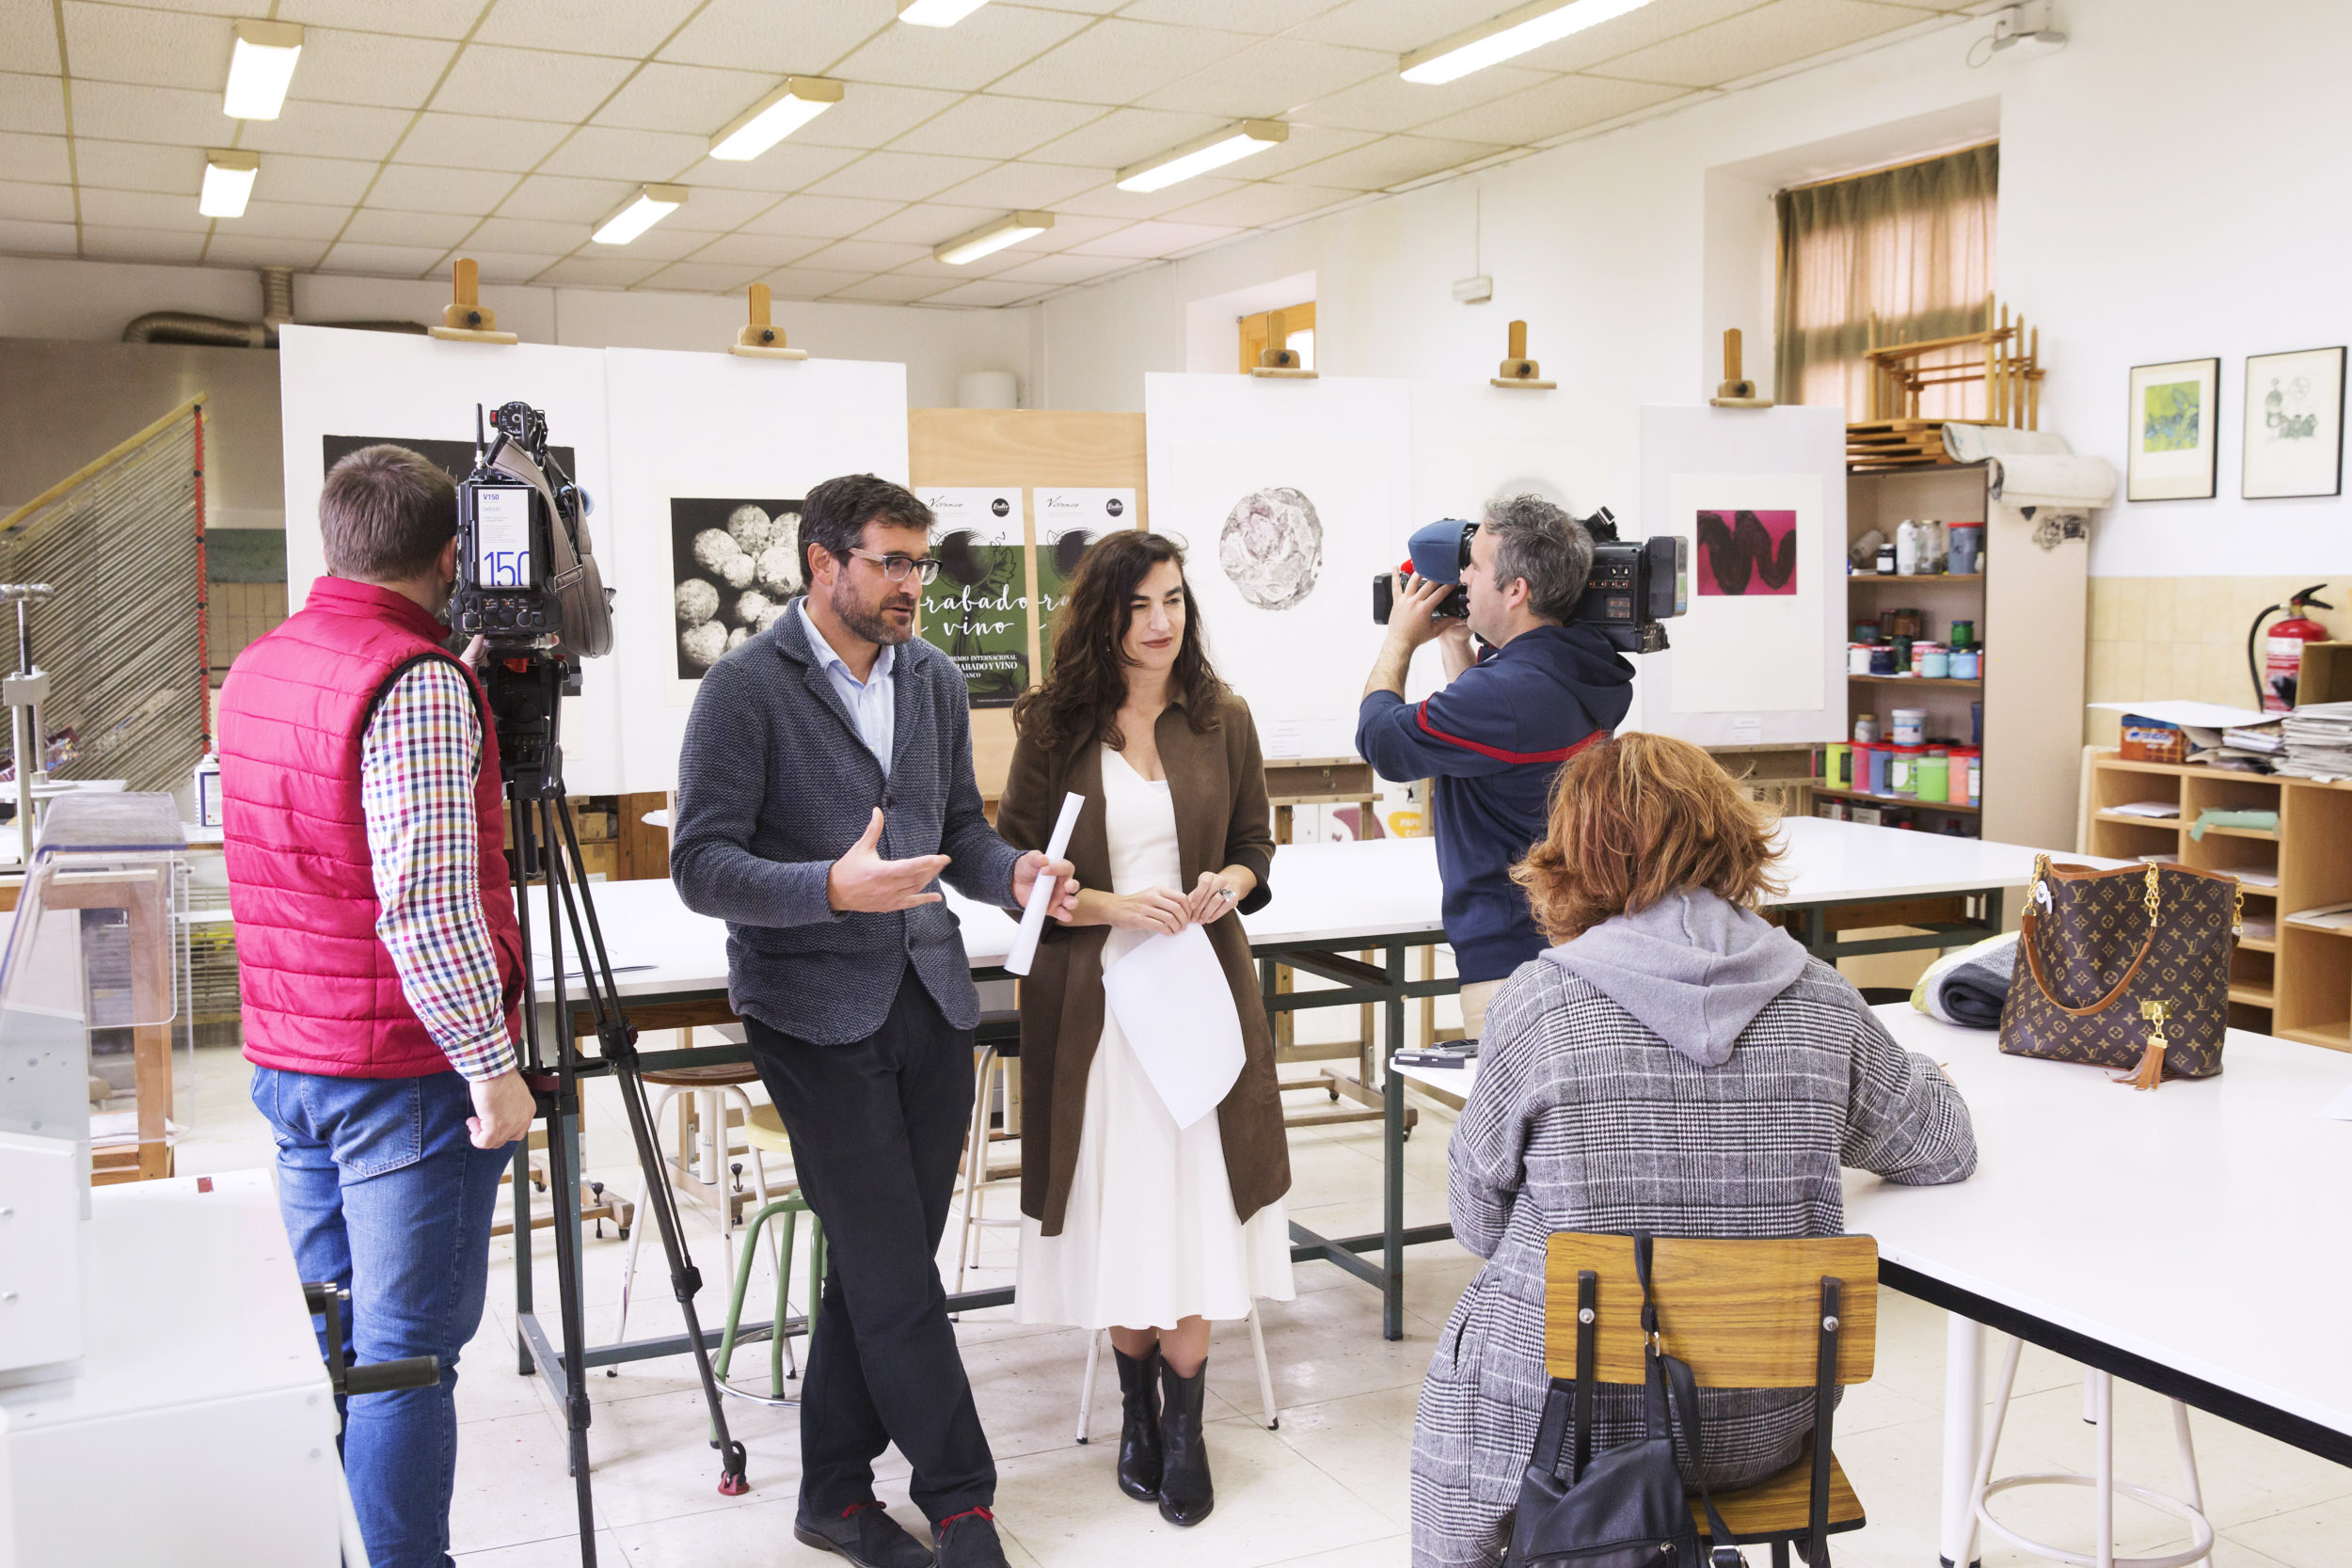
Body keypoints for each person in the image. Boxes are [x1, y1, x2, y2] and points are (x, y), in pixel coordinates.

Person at [1407, 734, 1979, 1568]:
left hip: (1572, 1430)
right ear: (1729, 837)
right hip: (1761, 1429)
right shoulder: (1819, 996)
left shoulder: (1541, 1001)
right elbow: (1942, 1145)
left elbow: (1475, 1219)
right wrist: (1925, 1073)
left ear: (1577, 853)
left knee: (1480, 1344)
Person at [670, 473, 1078, 1568]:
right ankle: (962, 1503)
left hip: (932, 998)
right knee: (897, 1268)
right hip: (810, 1008)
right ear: (823, 561)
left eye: (919, 561)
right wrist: (828, 889)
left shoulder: (934, 679)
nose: (911, 584)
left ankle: (834, 1495)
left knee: (878, 1256)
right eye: (891, 561)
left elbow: (955, 828)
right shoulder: (744, 689)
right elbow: (699, 865)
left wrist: (1015, 871)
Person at [218, 445, 537, 1568]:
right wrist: (492, 1066)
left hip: (289, 1057)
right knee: (407, 1353)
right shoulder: (413, 685)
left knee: (336, 1332)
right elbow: (428, 905)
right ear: (454, 555)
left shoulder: (258, 665)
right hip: (399, 1074)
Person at [996, 531, 1293, 1528]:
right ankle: (1136, 1415)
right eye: (1138, 607)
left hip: (1201, 994)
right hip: (1099, 1006)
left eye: (1172, 600)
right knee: (1127, 1206)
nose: (1161, 622)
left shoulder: (1222, 718)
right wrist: (1117, 906)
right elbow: (1020, 878)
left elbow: (1254, 844)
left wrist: (1226, 884)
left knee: (1197, 1203)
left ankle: (1189, 1425)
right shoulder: (1053, 725)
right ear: (1102, 618)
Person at [1356, 495, 1635, 1042]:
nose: (1460, 576)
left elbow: (1382, 740)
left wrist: (1398, 641)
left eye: (1474, 566)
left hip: (1512, 966)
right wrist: (1458, 641)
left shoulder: (1505, 696)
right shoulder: (1581, 666)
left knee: (1509, 1128)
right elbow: (1490, 742)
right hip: (1576, 942)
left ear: (1516, 590)